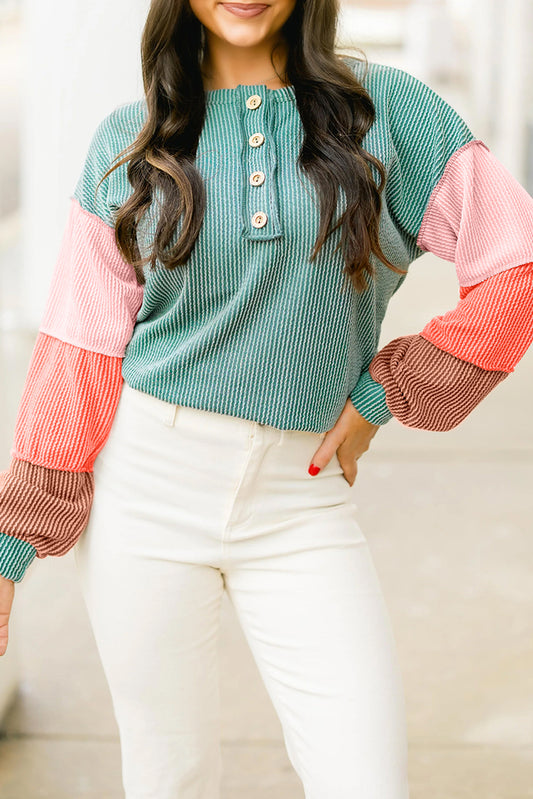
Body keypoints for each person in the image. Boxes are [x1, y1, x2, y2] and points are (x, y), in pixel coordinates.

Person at [1, 0, 532, 795]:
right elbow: (78, 351)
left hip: (299, 501)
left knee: (365, 778)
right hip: (144, 494)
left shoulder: (389, 114)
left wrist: (385, 394)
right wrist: (13, 544)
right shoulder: (128, 141)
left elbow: (514, 267)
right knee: (169, 777)